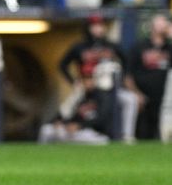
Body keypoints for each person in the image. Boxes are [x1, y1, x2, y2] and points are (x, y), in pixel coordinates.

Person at [59, 14, 139, 142]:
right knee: (68, 108)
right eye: (95, 26)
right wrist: (74, 81)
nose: (98, 29)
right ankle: (66, 131)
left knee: (130, 100)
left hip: (109, 87)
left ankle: (127, 136)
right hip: (87, 88)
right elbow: (63, 65)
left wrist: (123, 77)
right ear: (88, 28)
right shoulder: (80, 47)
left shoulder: (111, 46)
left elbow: (126, 60)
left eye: (100, 25)